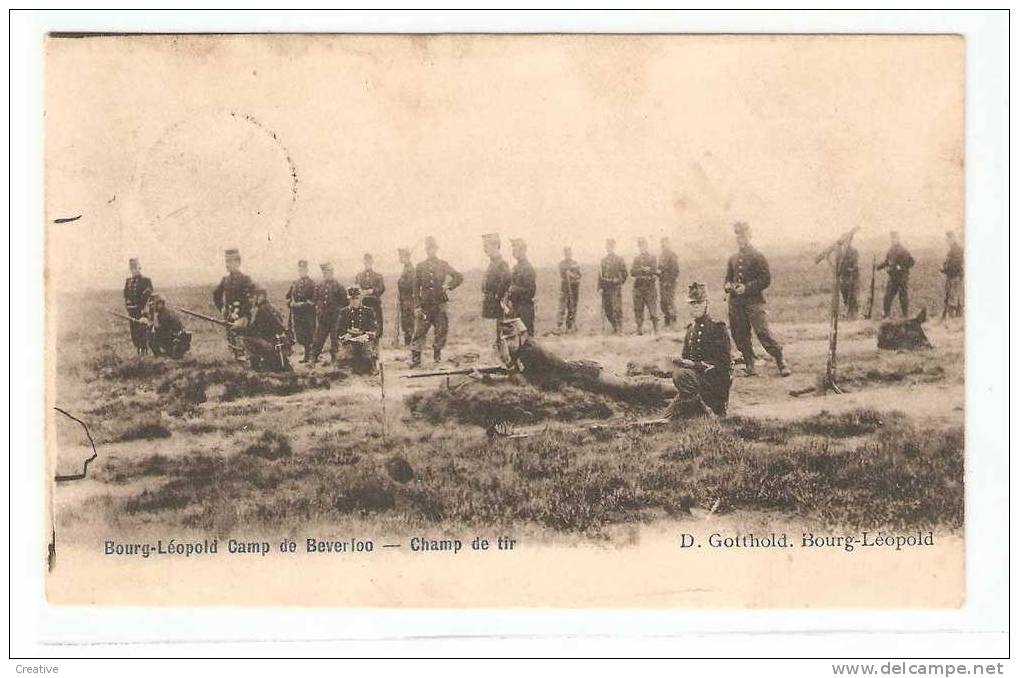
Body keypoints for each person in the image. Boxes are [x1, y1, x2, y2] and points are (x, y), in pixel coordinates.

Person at [724, 222, 790, 377]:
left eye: (743, 235)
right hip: (736, 304)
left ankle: (780, 361)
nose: (740, 238)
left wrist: (746, 288)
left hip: (754, 302)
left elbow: (765, 279)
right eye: (738, 236)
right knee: (739, 334)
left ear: (749, 235)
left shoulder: (758, 256)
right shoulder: (732, 259)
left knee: (763, 332)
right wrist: (728, 286)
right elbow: (727, 279)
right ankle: (749, 364)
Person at [665, 282, 732, 419]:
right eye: (692, 303)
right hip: (696, 382)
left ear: (707, 304)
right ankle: (693, 409)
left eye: (699, 303)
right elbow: (686, 358)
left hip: (714, 383)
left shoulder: (717, 328)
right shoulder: (690, 330)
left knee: (681, 376)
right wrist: (679, 362)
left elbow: (724, 364)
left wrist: (695, 365)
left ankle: (708, 410)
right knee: (668, 417)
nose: (695, 306)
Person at [410, 236, 464, 367]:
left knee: (441, 329)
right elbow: (416, 288)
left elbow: (459, 277)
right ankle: (416, 359)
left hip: (440, 303)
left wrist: (448, 286)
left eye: (433, 248)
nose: (431, 251)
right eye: (429, 248)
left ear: (436, 249)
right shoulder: (420, 266)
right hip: (425, 305)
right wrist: (417, 306)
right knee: (420, 331)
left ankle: (437, 356)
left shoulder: (443, 264)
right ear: (426, 250)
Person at [233, 286, 292, 372]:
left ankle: (255, 366)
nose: (253, 299)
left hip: (273, 345)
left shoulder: (262, 310)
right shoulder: (270, 307)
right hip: (280, 344)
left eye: (254, 297)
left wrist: (238, 330)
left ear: (261, 296)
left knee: (246, 339)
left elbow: (255, 331)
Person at [212, 248, 256, 360]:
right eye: (226, 261)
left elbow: (251, 298)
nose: (228, 265)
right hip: (229, 315)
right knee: (231, 339)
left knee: (242, 339)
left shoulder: (246, 279)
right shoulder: (225, 280)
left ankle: (247, 360)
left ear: (238, 262)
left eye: (231, 261)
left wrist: (242, 314)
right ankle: (235, 359)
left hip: (242, 316)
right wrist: (222, 308)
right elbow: (216, 294)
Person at [308, 262, 349, 364]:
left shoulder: (339, 286)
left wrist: (339, 313)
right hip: (323, 318)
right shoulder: (319, 286)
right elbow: (315, 300)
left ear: (332, 273)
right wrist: (318, 309)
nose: (325, 275)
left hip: (335, 318)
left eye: (327, 273)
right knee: (318, 339)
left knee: (335, 340)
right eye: (324, 273)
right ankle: (312, 359)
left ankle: (335, 360)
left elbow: (345, 302)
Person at [335, 287, 379, 374]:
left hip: (364, 339)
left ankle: (371, 367)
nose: (354, 301)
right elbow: (339, 330)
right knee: (344, 357)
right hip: (349, 340)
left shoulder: (368, 311)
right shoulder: (344, 312)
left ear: (361, 298)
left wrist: (365, 336)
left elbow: (373, 328)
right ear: (349, 299)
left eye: (356, 298)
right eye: (352, 299)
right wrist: (345, 336)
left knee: (367, 355)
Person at [877, 230, 915, 319]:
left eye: (895, 238)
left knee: (903, 297)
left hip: (902, 278)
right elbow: (887, 261)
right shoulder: (891, 250)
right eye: (892, 238)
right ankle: (886, 315)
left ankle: (905, 316)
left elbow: (911, 262)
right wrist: (879, 267)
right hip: (893, 277)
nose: (893, 240)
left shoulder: (903, 250)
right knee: (888, 296)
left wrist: (901, 267)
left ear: (898, 239)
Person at [481, 233, 512, 341]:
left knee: (499, 335)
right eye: (484, 246)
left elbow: (507, 279)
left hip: (496, 305)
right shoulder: (493, 263)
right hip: (491, 304)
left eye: (486, 246)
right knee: (494, 335)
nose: (485, 249)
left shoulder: (501, 264)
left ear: (495, 246)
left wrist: (498, 296)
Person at [285, 259, 317, 362]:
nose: (301, 271)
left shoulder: (311, 283)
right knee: (300, 334)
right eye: (300, 269)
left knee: (308, 334)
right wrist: (291, 303)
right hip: (297, 314)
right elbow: (288, 297)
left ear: (307, 270)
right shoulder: (295, 283)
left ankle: (309, 355)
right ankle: (306, 354)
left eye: (303, 269)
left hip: (307, 314)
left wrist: (303, 304)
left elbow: (314, 299)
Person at [123, 258, 154, 356]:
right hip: (132, 311)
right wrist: (128, 306)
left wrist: (143, 307)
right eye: (131, 268)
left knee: (142, 331)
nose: (133, 270)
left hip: (142, 310)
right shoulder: (128, 281)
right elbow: (126, 294)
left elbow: (148, 294)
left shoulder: (146, 281)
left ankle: (144, 350)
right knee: (134, 332)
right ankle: (138, 349)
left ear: (139, 268)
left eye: (135, 268)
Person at [146, 293, 191, 359]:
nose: (153, 307)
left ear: (161, 304)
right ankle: (160, 354)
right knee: (150, 332)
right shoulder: (159, 314)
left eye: (154, 304)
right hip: (168, 338)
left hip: (173, 339)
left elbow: (162, 329)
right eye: (152, 305)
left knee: (152, 333)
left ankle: (169, 354)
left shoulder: (166, 314)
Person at [507, 238, 537, 336]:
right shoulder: (516, 267)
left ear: (523, 250)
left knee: (526, 340)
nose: (513, 251)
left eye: (516, 248)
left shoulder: (528, 268)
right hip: (515, 308)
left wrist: (514, 289)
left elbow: (531, 291)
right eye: (513, 248)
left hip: (525, 309)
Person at [597, 238, 628, 334]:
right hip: (606, 287)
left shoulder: (619, 259)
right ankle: (615, 326)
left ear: (614, 247)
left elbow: (625, 274)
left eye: (610, 246)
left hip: (615, 287)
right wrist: (600, 287)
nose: (608, 248)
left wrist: (619, 281)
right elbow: (600, 275)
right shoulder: (603, 260)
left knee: (616, 308)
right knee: (608, 309)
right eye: (607, 246)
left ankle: (620, 328)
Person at [630, 237, 660, 335]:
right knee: (638, 309)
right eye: (640, 245)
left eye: (643, 245)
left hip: (649, 287)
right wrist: (643, 270)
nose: (641, 247)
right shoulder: (636, 259)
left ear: (646, 246)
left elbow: (655, 270)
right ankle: (639, 330)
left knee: (652, 309)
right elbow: (632, 272)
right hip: (638, 287)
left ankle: (656, 329)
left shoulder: (652, 258)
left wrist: (648, 270)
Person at [354, 253, 386, 340]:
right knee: (363, 326)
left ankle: (375, 349)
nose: (367, 263)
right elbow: (355, 289)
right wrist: (361, 291)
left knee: (376, 327)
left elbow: (382, 288)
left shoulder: (378, 276)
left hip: (374, 305)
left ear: (372, 262)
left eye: (369, 261)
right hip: (363, 304)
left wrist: (372, 291)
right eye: (365, 261)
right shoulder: (359, 276)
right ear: (363, 262)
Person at [556, 246, 582, 333]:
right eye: (566, 253)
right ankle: (558, 326)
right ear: (564, 254)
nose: (568, 254)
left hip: (574, 288)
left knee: (572, 307)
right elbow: (562, 274)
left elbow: (579, 275)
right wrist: (568, 274)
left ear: (571, 253)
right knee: (562, 307)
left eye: (569, 253)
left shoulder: (575, 263)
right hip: (565, 288)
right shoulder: (562, 264)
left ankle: (569, 326)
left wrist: (573, 276)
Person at [941, 230, 964, 319]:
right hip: (951, 276)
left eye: (948, 239)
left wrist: (944, 269)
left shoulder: (957, 250)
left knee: (952, 299)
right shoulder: (952, 250)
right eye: (946, 239)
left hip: (955, 277)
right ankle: (956, 319)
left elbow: (955, 265)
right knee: (953, 298)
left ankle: (953, 321)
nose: (947, 241)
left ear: (953, 238)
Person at [396, 248, 416, 346]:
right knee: (406, 320)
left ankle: (410, 343)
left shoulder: (410, 269)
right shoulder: (406, 268)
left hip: (409, 299)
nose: (400, 258)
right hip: (405, 299)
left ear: (406, 257)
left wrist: (400, 282)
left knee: (409, 320)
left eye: (401, 256)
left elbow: (411, 285)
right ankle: (408, 343)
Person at [658, 237, 679, 329]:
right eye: (662, 243)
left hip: (670, 283)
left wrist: (670, 281)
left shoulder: (672, 255)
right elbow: (659, 268)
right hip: (662, 282)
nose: (663, 245)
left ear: (668, 244)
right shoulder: (661, 255)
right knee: (663, 303)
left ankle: (673, 321)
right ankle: (667, 321)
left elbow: (675, 270)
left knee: (670, 302)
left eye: (665, 243)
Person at [838, 241, 860, 319]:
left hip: (852, 276)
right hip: (844, 276)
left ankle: (854, 313)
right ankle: (848, 312)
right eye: (843, 243)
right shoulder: (841, 252)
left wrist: (851, 269)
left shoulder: (853, 251)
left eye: (846, 242)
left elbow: (855, 264)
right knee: (844, 293)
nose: (844, 244)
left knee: (853, 295)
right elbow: (839, 263)